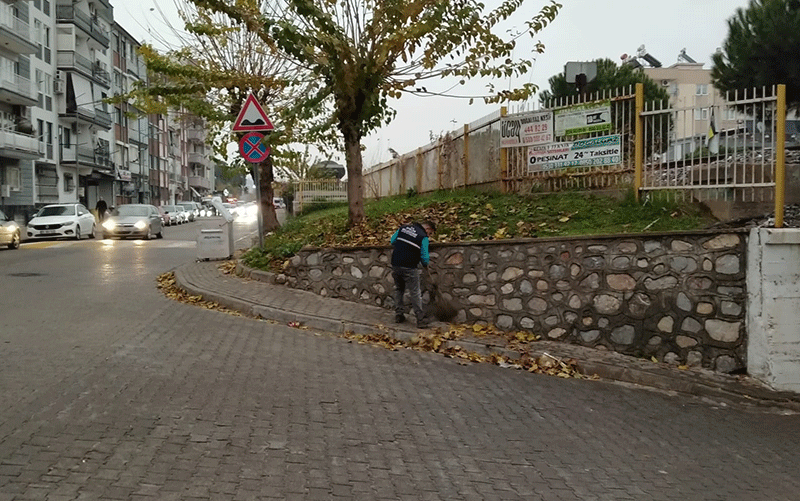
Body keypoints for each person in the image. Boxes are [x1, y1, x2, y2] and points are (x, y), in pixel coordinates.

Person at [390, 220, 436, 328]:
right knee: (415, 292)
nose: (429, 236)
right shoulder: (423, 236)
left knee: (399, 289)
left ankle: (399, 315)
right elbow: (424, 257)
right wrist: (425, 264)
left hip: (396, 264)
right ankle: (420, 319)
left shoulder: (403, 228)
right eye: (430, 233)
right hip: (409, 266)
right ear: (428, 228)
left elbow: (392, 241)